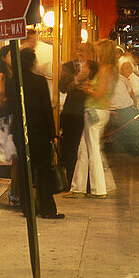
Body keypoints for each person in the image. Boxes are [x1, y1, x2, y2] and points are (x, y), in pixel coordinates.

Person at [13, 47, 62, 219]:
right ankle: (47, 208)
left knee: (25, 171)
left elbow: (12, 106)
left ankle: (27, 208)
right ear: (33, 62)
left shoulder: (15, 81)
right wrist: (52, 132)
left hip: (21, 131)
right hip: (40, 131)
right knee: (43, 171)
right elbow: (46, 108)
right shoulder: (39, 81)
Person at [71, 39, 118, 197]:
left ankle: (99, 189)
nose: (96, 55)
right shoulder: (112, 69)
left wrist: (88, 88)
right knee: (84, 149)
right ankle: (78, 187)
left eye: (98, 52)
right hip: (100, 110)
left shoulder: (105, 69)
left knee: (92, 150)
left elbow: (99, 94)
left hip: (95, 110)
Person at [58, 43, 94, 182]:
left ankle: (88, 181)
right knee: (70, 147)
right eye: (79, 50)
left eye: (85, 51)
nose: (81, 53)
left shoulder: (94, 66)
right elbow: (62, 87)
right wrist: (77, 79)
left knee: (88, 147)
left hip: (90, 109)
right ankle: (71, 180)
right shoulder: (68, 66)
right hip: (72, 111)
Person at [0, 45, 19, 205]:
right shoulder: (1, 74)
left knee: (16, 158)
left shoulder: (11, 73)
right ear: (3, 57)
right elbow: (0, 98)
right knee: (15, 156)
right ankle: (14, 193)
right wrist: (9, 101)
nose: (13, 58)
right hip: (7, 118)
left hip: (11, 116)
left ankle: (14, 191)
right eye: (10, 55)